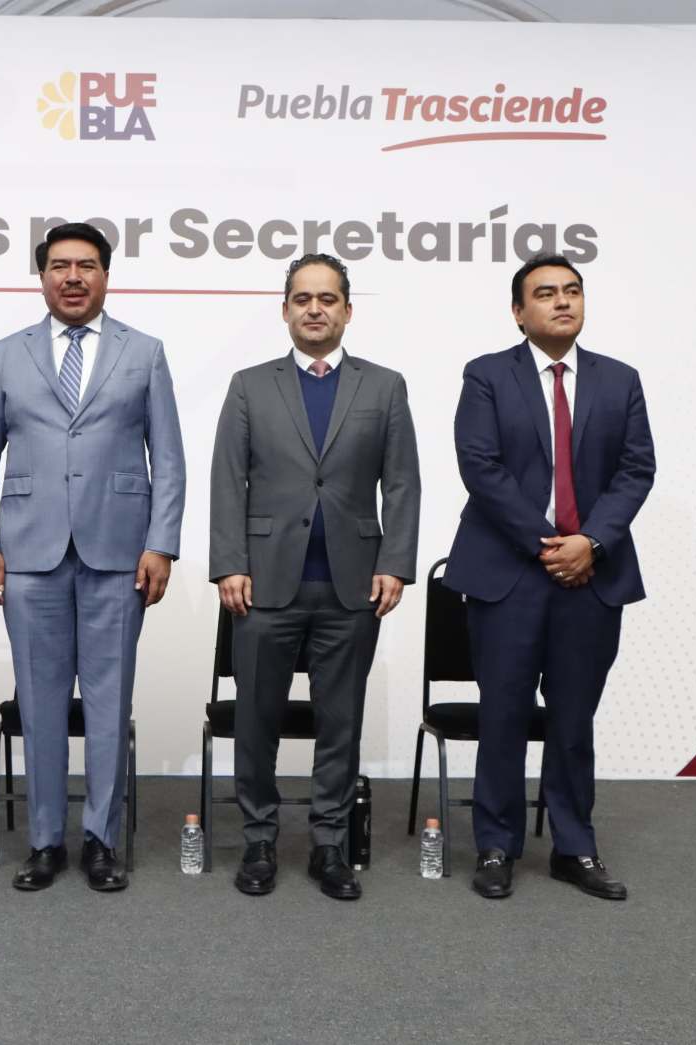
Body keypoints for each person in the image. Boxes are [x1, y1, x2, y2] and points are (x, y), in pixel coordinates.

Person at [0, 221, 185, 892]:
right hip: (29, 555)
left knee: (109, 705)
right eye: (59, 265)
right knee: (40, 703)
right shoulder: (7, 354)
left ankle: (101, 840)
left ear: (106, 275)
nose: (73, 276)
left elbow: (168, 460)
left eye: (86, 264)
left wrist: (161, 544)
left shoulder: (144, 352)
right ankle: (44, 841)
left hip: (119, 554)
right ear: (42, 277)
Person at [444, 253, 655, 901]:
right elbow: (480, 466)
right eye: (545, 293)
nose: (562, 301)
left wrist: (590, 542)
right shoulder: (487, 375)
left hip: (592, 576)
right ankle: (496, 845)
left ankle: (574, 846)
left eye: (572, 291)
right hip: (509, 574)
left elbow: (636, 470)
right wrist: (549, 545)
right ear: (518, 312)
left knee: (572, 719)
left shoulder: (620, 380)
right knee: (503, 715)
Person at [209, 253, 420, 900]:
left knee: (340, 722)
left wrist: (395, 563)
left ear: (348, 310)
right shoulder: (250, 385)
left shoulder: (384, 387)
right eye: (302, 298)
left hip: (352, 586)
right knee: (257, 720)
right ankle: (259, 839)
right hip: (264, 584)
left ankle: (330, 843)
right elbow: (228, 479)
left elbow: (402, 482)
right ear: (285, 311)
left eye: (327, 298)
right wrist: (229, 563)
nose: (315, 309)